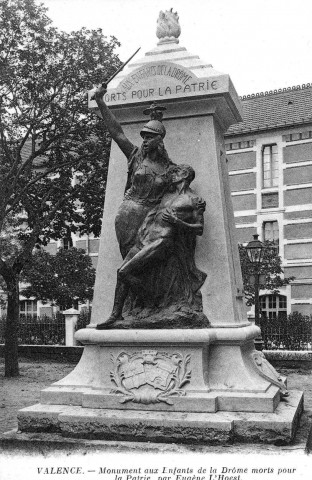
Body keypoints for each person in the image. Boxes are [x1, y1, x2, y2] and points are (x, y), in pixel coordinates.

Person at [97, 163, 206, 328]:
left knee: (125, 272)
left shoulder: (194, 200)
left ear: (184, 175)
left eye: (176, 173)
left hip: (163, 240)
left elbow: (199, 229)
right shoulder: (166, 195)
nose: (172, 175)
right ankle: (116, 314)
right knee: (121, 272)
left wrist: (177, 222)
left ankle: (153, 301)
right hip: (145, 238)